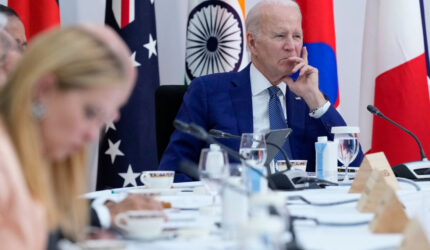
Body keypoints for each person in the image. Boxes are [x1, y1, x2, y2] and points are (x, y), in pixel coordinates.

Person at [159, 0, 363, 182]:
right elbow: (174, 171)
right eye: (280, 36)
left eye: (297, 36)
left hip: (302, 209)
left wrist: (314, 98)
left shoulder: (310, 100)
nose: (291, 46)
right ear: (252, 43)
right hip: (235, 208)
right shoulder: (208, 92)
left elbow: (353, 169)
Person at [0, 24, 159, 249]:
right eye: (90, 112)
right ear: (44, 88)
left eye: (102, 121)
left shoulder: (30, 160)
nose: (92, 135)